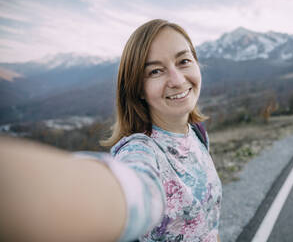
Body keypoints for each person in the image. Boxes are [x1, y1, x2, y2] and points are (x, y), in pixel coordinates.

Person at [0, 19, 222, 242]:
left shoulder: (196, 132)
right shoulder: (140, 150)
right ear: (139, 89)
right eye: (155, 71)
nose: (176, 79)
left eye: (183, 61)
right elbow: (136, 189)